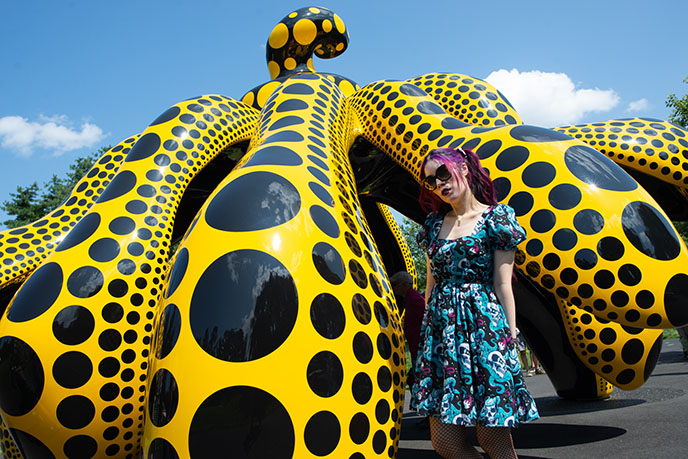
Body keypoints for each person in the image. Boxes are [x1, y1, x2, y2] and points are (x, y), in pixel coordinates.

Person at [410, 147, 539, 459]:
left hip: (485, 336)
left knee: (494, 442)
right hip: (443, 340)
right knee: (446, 444)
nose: (438, 183)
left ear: (464, 168)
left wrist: (510, 338)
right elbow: (431, 285)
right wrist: (428, 338)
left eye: (443, 172)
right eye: (430, 180)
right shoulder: (432, 225)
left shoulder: (497, 219)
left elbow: (502, 283)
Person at [390, 271, 425, 386]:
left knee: (418, 380)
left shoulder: (414, 299)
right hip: (416, 347)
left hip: (419, 348)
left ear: (404, 285)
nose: (394, 287)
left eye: (395, 284)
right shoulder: (410, 299)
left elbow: (426, 317)